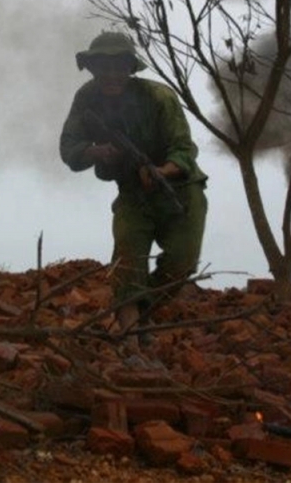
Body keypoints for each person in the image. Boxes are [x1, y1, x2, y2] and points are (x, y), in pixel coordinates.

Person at [59, 31, 208, 341]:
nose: (111, 74)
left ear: (130, 67)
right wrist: (97, 151)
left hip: (180, 191)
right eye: (103, 67)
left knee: (181, 265)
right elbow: (69, 149)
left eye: (119, 66)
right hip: (132, 193)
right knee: (128, 261)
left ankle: (140, 317)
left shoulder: (159, 97)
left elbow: (185, 149)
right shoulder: (86, 98)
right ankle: (130, 341)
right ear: (92, 68)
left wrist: (161, 172)